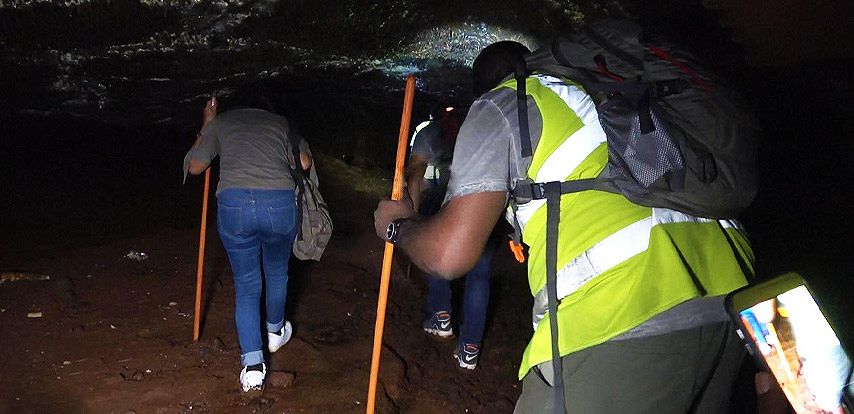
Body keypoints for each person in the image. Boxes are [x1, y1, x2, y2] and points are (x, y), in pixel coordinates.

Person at [374, 40, 754, 412]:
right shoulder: (601, 97)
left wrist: (398, 226)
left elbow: (448, 255)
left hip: (626, 303)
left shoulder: (505, 102)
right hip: (729, 293)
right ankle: (468, 346)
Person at [184, 93, 312, 392]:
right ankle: (275, 331)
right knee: (278, 271)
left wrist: (207, 123)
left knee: (246, 283)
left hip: (235, 205)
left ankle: (253, 367)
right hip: (279, 204)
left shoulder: (222, 122)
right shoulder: (282, 124)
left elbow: (195, 167)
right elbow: (304, 163)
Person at [407, 104, 497, 370]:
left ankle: (441, 317)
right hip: (483, 205)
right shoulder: (486, 130)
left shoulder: (428, 131)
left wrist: (412, 214)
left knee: (435, 252)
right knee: (479, 275)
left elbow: (415, 173)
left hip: (441, 201)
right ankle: (470, 349)